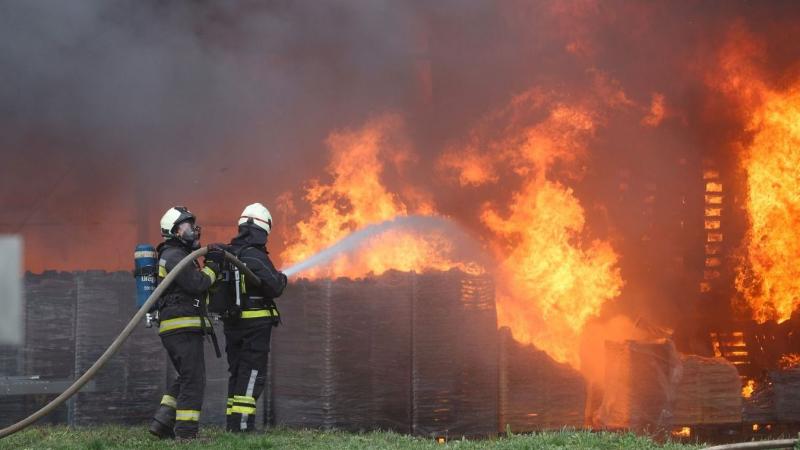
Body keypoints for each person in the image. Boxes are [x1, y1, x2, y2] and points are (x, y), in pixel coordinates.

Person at [149, 206, 223, 440]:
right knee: (194, 379)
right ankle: (186, 433)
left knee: (186, 376)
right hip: (181, 328)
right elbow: (197, 284)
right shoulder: (173, 256)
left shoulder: (177, 255)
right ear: (175, 231)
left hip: (180, 328)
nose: (193, 229)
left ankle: (162, 423)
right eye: (188, 225)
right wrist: (214, 266)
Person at [218, 202, 287, 432]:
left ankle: (233, 425)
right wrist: (283, 278)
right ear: (262, 230)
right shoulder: (255, 256)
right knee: (252, 375)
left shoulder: (230, 254)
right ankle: (243, 428)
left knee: (237, 373)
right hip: (254, 328)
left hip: (232, 326)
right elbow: (275, 286)